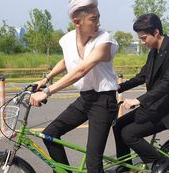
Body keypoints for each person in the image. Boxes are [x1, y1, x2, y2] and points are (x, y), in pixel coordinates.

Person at [29, 0, 119, 172]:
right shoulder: (68, 40)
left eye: (98, 17)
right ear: (77, 22)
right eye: (93, 19)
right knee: (49, 134)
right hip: (85, 99)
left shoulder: (104, 40)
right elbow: (66, 60)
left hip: (103, 102)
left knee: (93, 163)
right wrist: (46, 79)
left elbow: (81, 70)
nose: (98, 23)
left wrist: (47, 92)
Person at [112, 13, 169, 173]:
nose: (143, 42)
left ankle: (163, 163)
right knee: (118, 125)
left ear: (156, 32)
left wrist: (139, 100)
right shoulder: (153, 52)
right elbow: (142, 76)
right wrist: (115, 88)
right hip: (155, 105)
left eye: (144, 38)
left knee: (129, 134)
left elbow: (168, 83)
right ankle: (124, 167)